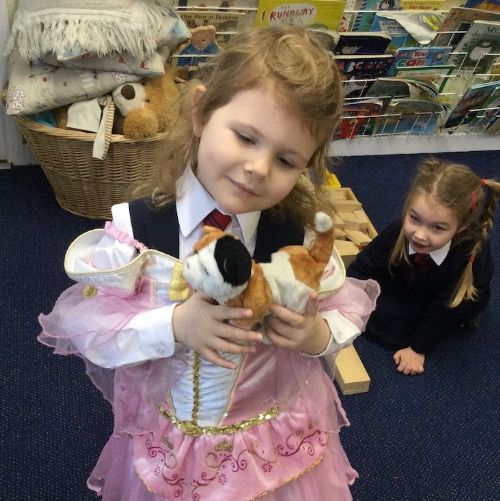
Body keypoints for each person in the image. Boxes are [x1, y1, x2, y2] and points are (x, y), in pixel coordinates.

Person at [38, 26, 379, 500]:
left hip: (270, 434)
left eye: (286, 160)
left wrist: (313, 336)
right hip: (174, 437)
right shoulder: (136, 233)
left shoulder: (296, 241)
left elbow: (343, 311)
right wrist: (175, 324)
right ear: (200, 112)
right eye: (245, 137)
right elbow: (94, 330)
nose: (258, 168)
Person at [347, 158, 499, 376]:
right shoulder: (400, 230)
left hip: (453, 300)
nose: (419, 234)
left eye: (437, 228)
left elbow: (445, 310)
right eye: (414, 218)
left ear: (461, 227)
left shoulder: (467, 259)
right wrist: (344, 296)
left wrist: (418, 350)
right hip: (413, 277)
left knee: (403, 329)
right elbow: (366, 263)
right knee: (377, 309)